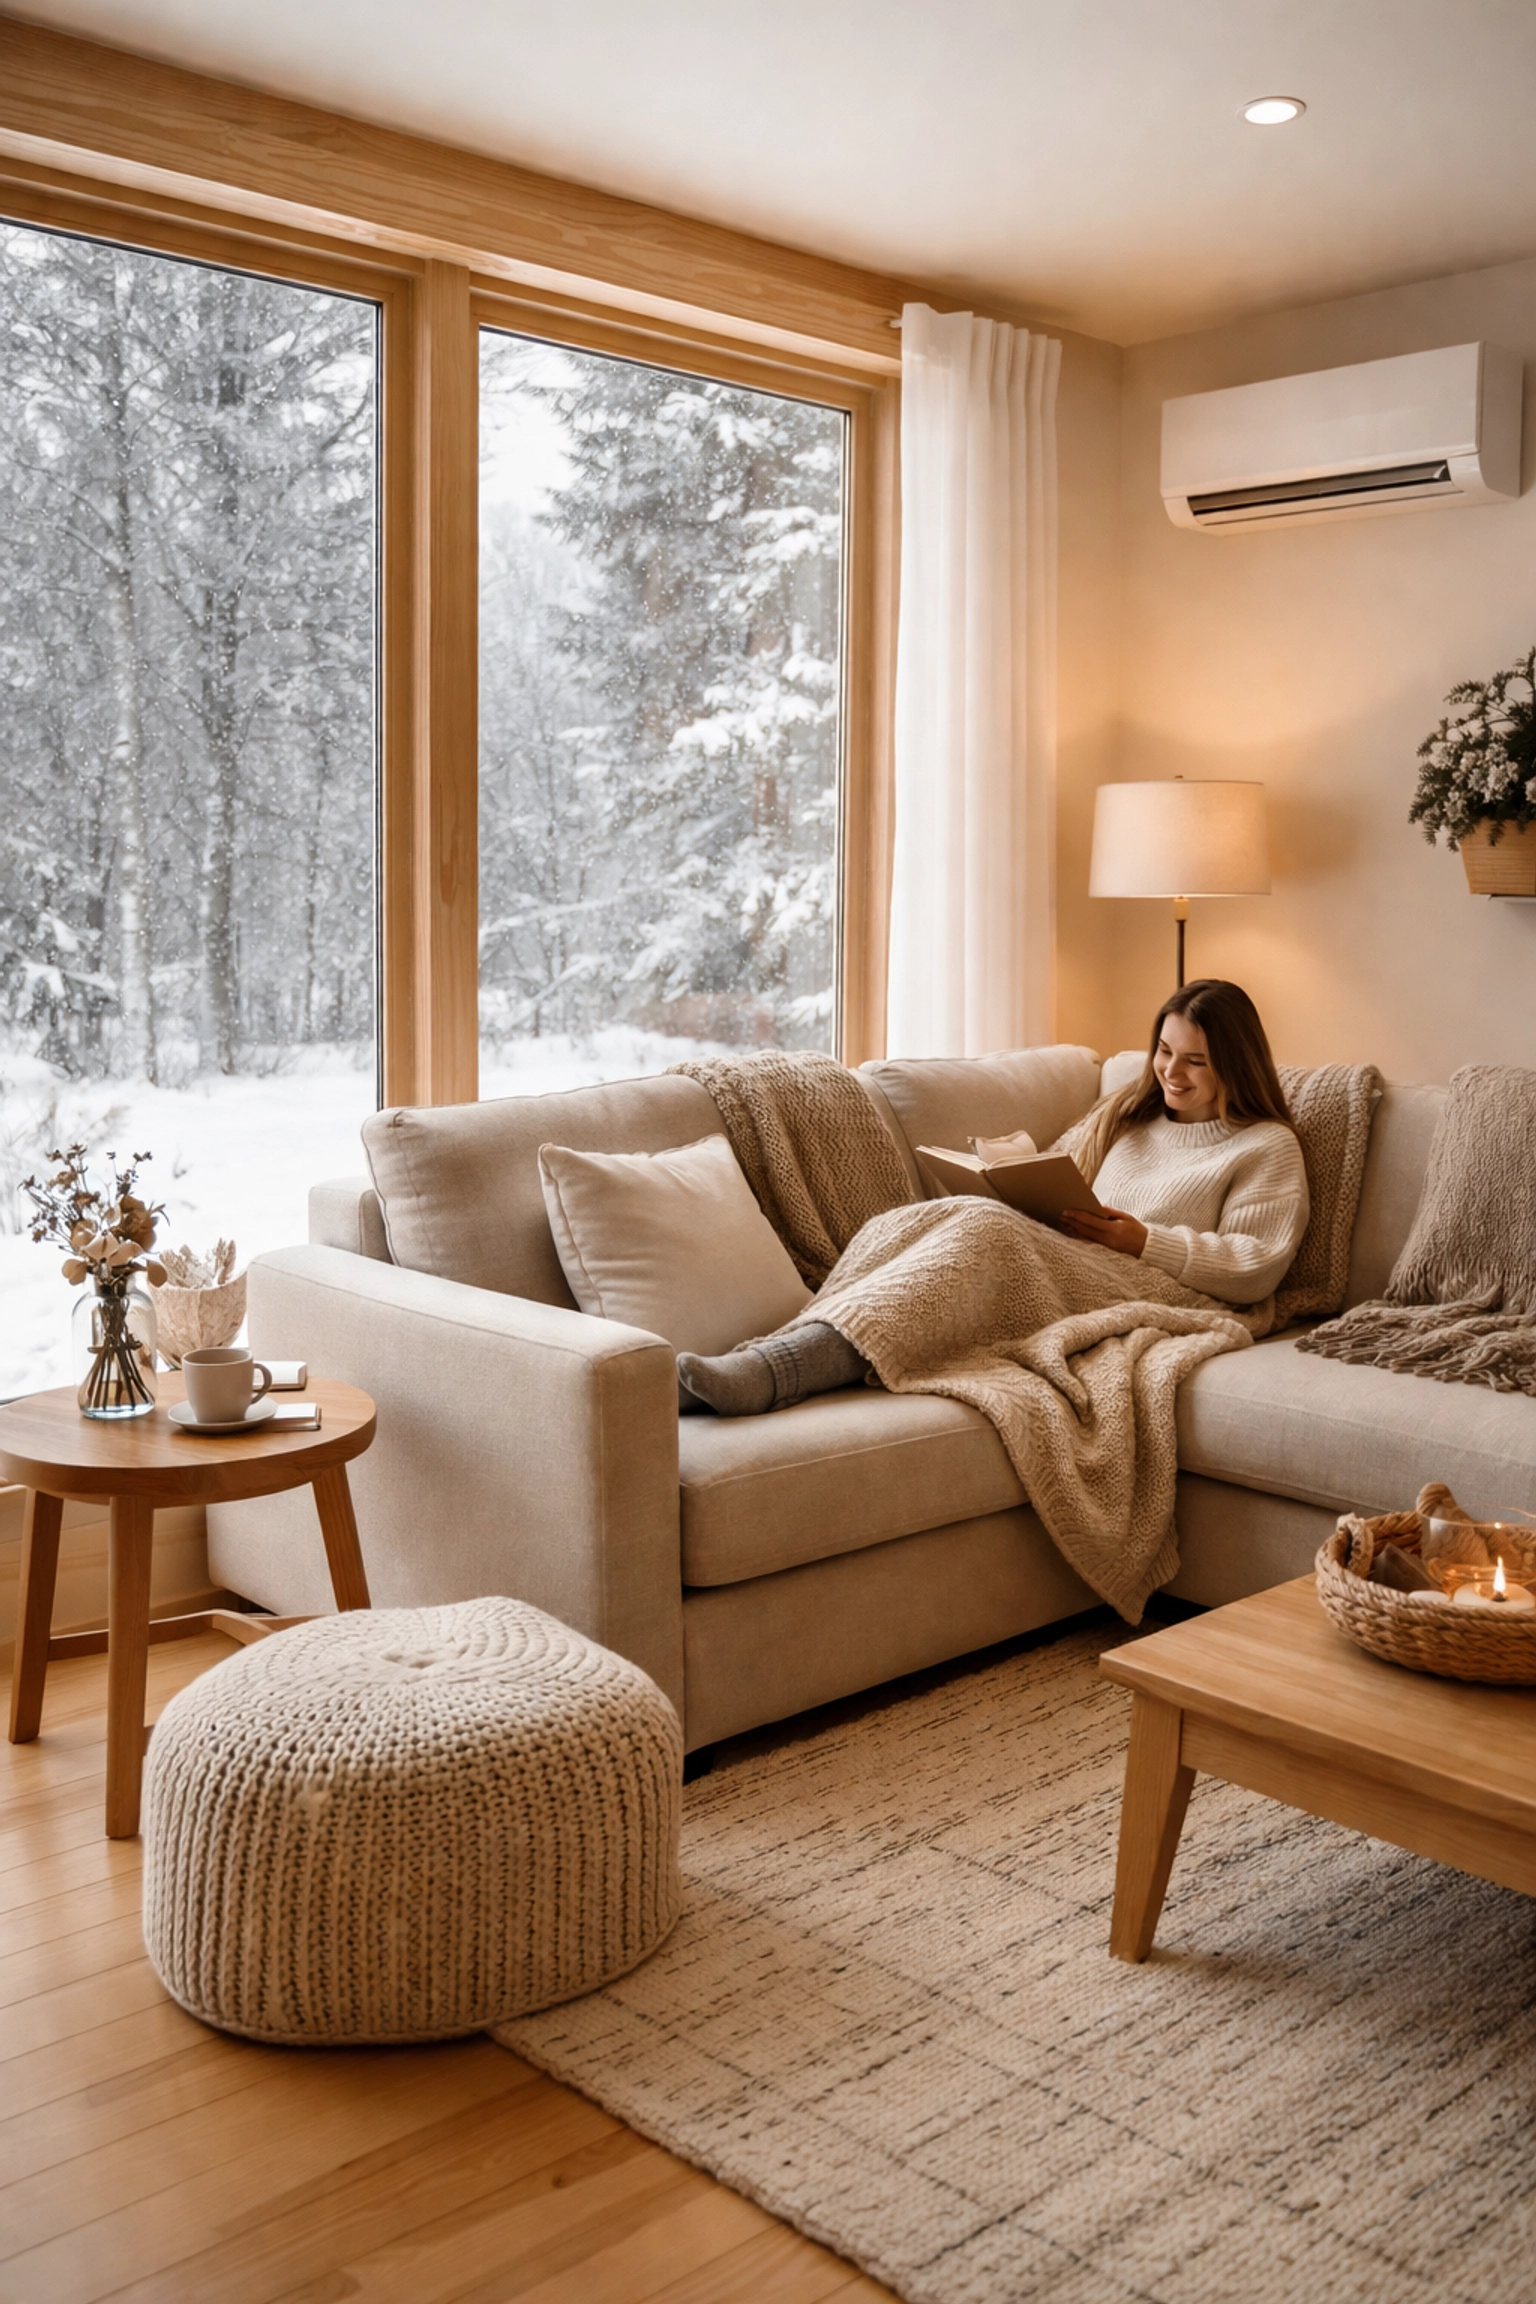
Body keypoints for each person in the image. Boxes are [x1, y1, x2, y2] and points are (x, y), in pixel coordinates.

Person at [677, 978, 1309, 1416]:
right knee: (928, 1216)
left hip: (1159, 1292)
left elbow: (1257, 1266)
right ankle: (767, 1353)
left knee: (985, 1229)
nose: (1170, 1072)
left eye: (1195, 1062)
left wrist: (1142, 1239)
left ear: (1235, 1063)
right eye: (1165, 1051)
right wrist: (999, 1169)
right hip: (1075, 1261)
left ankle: (772, 1375)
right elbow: (1054, 1169)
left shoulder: (1265, 1146)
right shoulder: (1128, 1114)